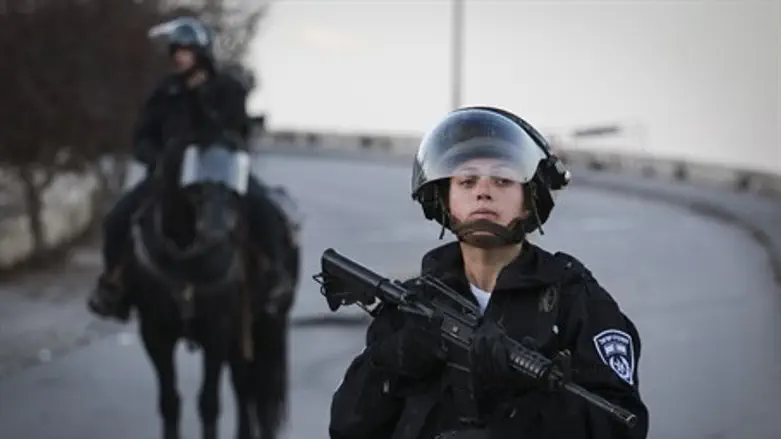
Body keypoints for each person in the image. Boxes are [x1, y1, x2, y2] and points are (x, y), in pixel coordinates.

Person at [328, 107, 649, 439]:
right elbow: (347, 429)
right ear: (444, 197)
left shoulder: (574, 301)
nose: (483, 191)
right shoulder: (414, 305)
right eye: (467, 180)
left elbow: (623, 425)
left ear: (529, 199)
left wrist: (521, 405)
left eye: (503, 179)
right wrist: (389, 365)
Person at [87, 17, 290, 322]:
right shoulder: (165, 91)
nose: (179, 57)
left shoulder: (228, 88)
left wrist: (208, 110)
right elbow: (142, 136)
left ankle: (275, 279)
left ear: (201, 52)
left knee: (269, 213)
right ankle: (114, 288)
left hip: (222, 174)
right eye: (176, 51)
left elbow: (240, 131)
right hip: (169, 177)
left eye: (186, 50)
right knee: (117, 218)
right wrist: (157, 158)